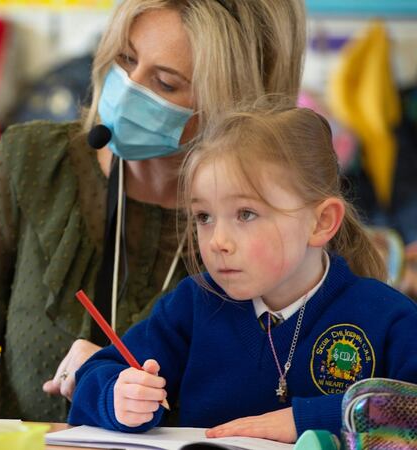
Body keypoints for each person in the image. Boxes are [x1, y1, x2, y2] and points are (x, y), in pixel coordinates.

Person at [0, 0, 306, 422]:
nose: (129, 87)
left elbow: (295, 402)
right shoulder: (31, 163)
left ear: (234, 102)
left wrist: (111, 382)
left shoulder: (279, 215)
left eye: (165, 83)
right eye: (125, 59)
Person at [68, 104, 417, 442]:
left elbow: (412, 410)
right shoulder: (193, 305)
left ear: (321, 222)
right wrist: (118, 397)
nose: (218, 241)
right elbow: (96, 377)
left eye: (246, 214)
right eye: (204, 217)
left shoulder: (386, 316)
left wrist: (306, 420)